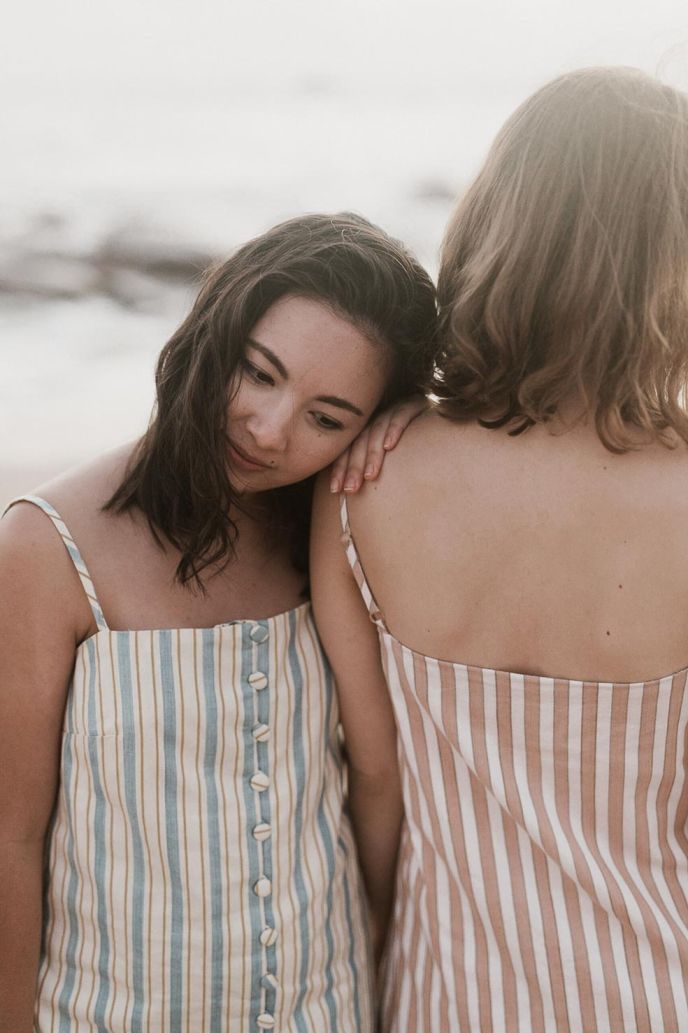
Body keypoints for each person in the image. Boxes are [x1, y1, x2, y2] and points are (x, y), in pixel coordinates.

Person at [311, 69, 688, 1032]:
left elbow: (378, 780)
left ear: (496, 224)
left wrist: (393, 937)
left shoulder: (364, 483)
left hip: (446, 992)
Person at [0, 212, 438, 1033]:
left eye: (328, 417)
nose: (270, 432)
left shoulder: (342, 536)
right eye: (258, 372)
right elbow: (8, 835)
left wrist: (420, 442)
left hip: (329, 1008)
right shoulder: (46, 546)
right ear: (216, 328)